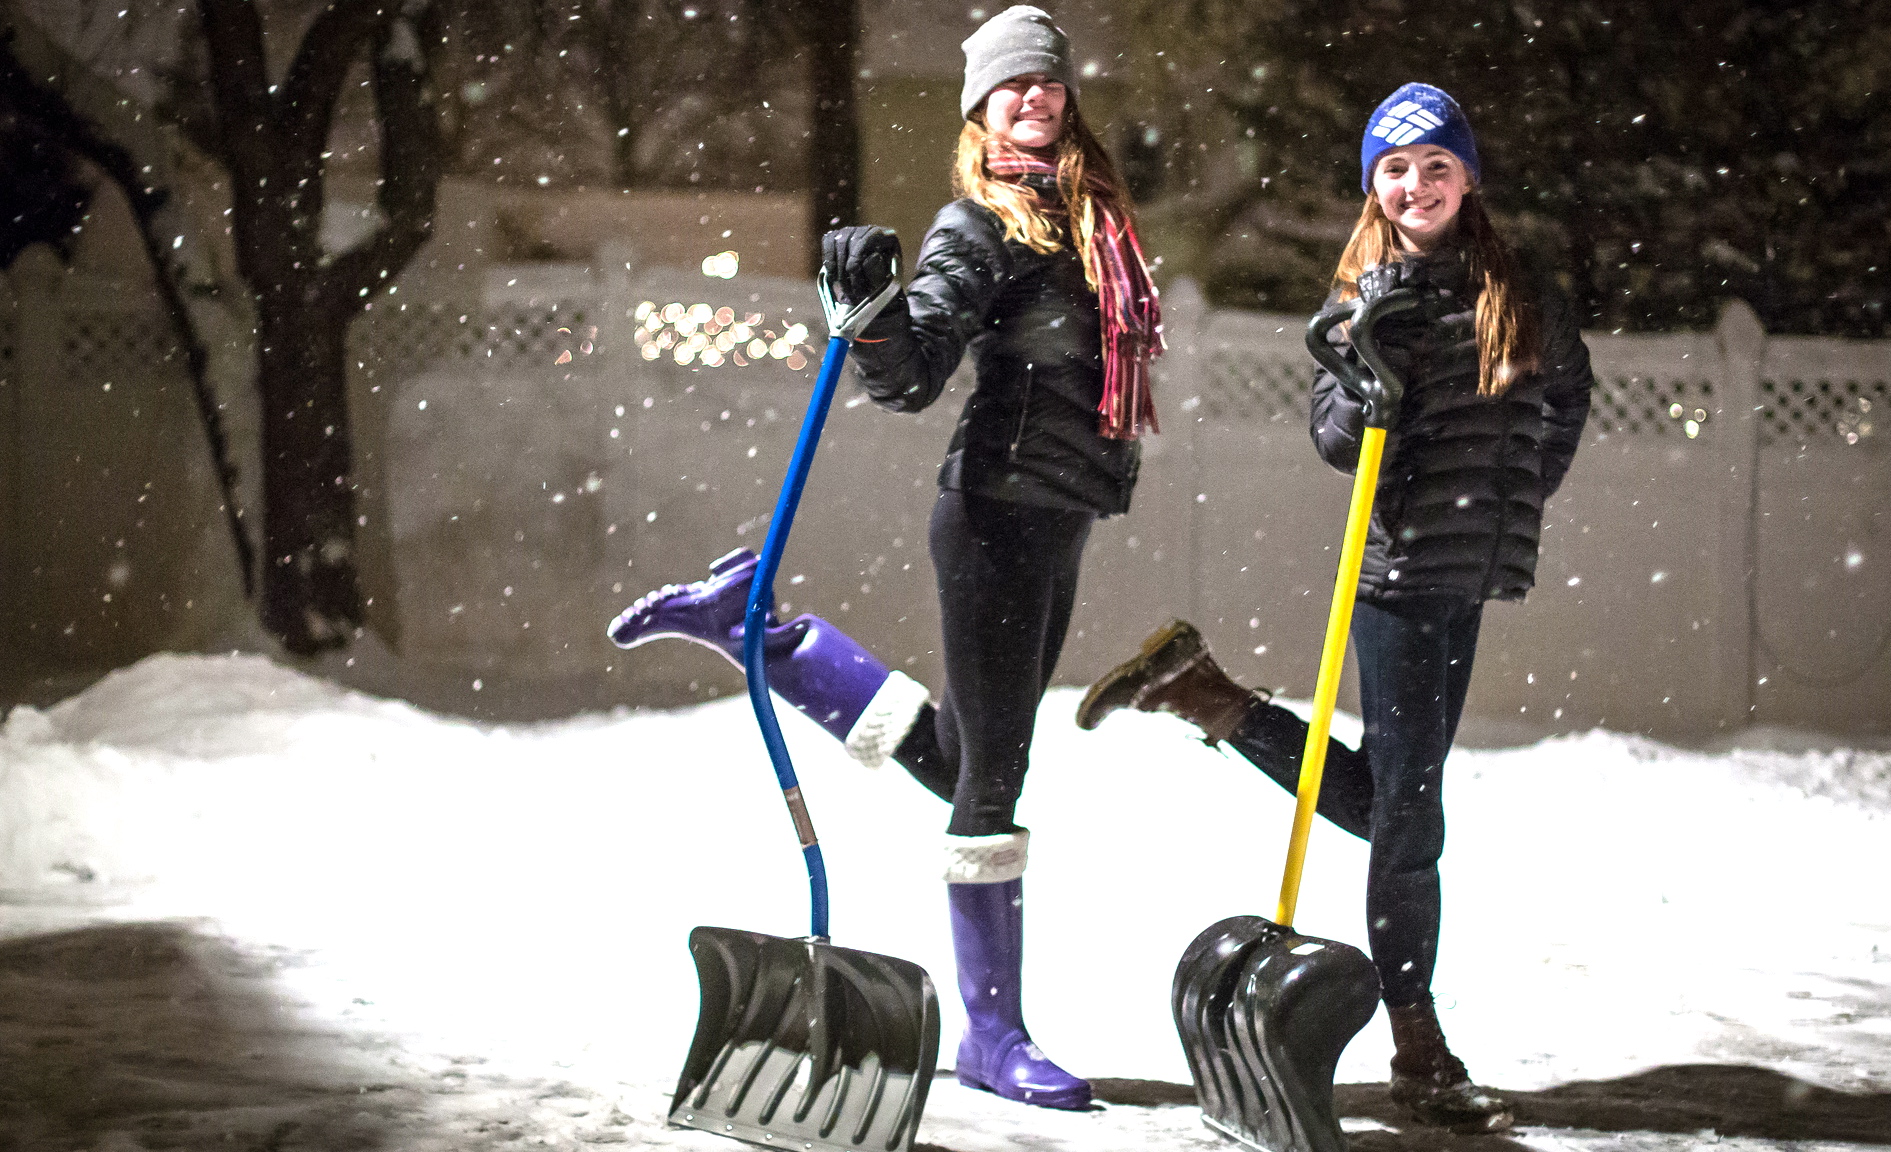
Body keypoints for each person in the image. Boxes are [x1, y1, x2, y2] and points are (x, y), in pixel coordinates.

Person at [607, 6, 1162, 1112]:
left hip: (1056, 516)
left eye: (1047, 85)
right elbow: (907, 378)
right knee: (989, 786)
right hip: (997, 515)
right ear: (978, 108)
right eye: (1012, 88)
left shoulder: (1091, 222)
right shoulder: (984, 224)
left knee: (969, 761)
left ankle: (763, 638)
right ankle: (992, 1037)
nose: (1034, 100)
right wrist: (863, 311)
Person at [1074, 82, 1595, 1135]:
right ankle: (1417, 1041)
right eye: (1393, 169)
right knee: (1410, 821)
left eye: (1434, 164)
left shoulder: (1514, 290)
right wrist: (1367, 378)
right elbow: (1331, 437)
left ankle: (1207, 693)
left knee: (1400, 807)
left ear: (1466, 176)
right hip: (1400, 574)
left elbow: (1566, 391)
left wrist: (1518, 486)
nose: (1415, 183)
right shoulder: (1361, 294)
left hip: (1468, 568)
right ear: (1374, 186)